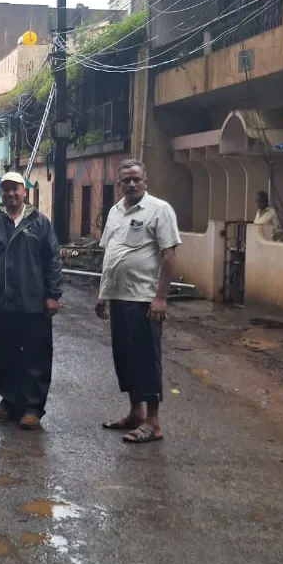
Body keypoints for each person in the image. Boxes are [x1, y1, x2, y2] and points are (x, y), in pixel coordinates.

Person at [96, 159, 181, 444]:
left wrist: (160, 297)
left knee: (146, 360)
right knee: (126, 358)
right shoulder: (114, 212)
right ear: (119, 183)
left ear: (146, 181)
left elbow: (168, 256)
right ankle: (135, 413)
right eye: (126, 180)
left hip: (144, 299)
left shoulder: (159, 210)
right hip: (119, 297)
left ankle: (153, 422)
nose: (131, 184)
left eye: (136, 179)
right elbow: (111, 255)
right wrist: (102, 295)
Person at [0, 172, 62, 430]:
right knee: (4, 356)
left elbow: (53, 261)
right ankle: (9, 403)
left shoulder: (40, 223)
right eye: (6, 189)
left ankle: (33, 408)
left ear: (24, 192)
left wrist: (53, 295)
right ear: (1, 192)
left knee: (36, 357)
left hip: (33, 304)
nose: (11, 194)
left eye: (15, 189)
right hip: (2, 304)